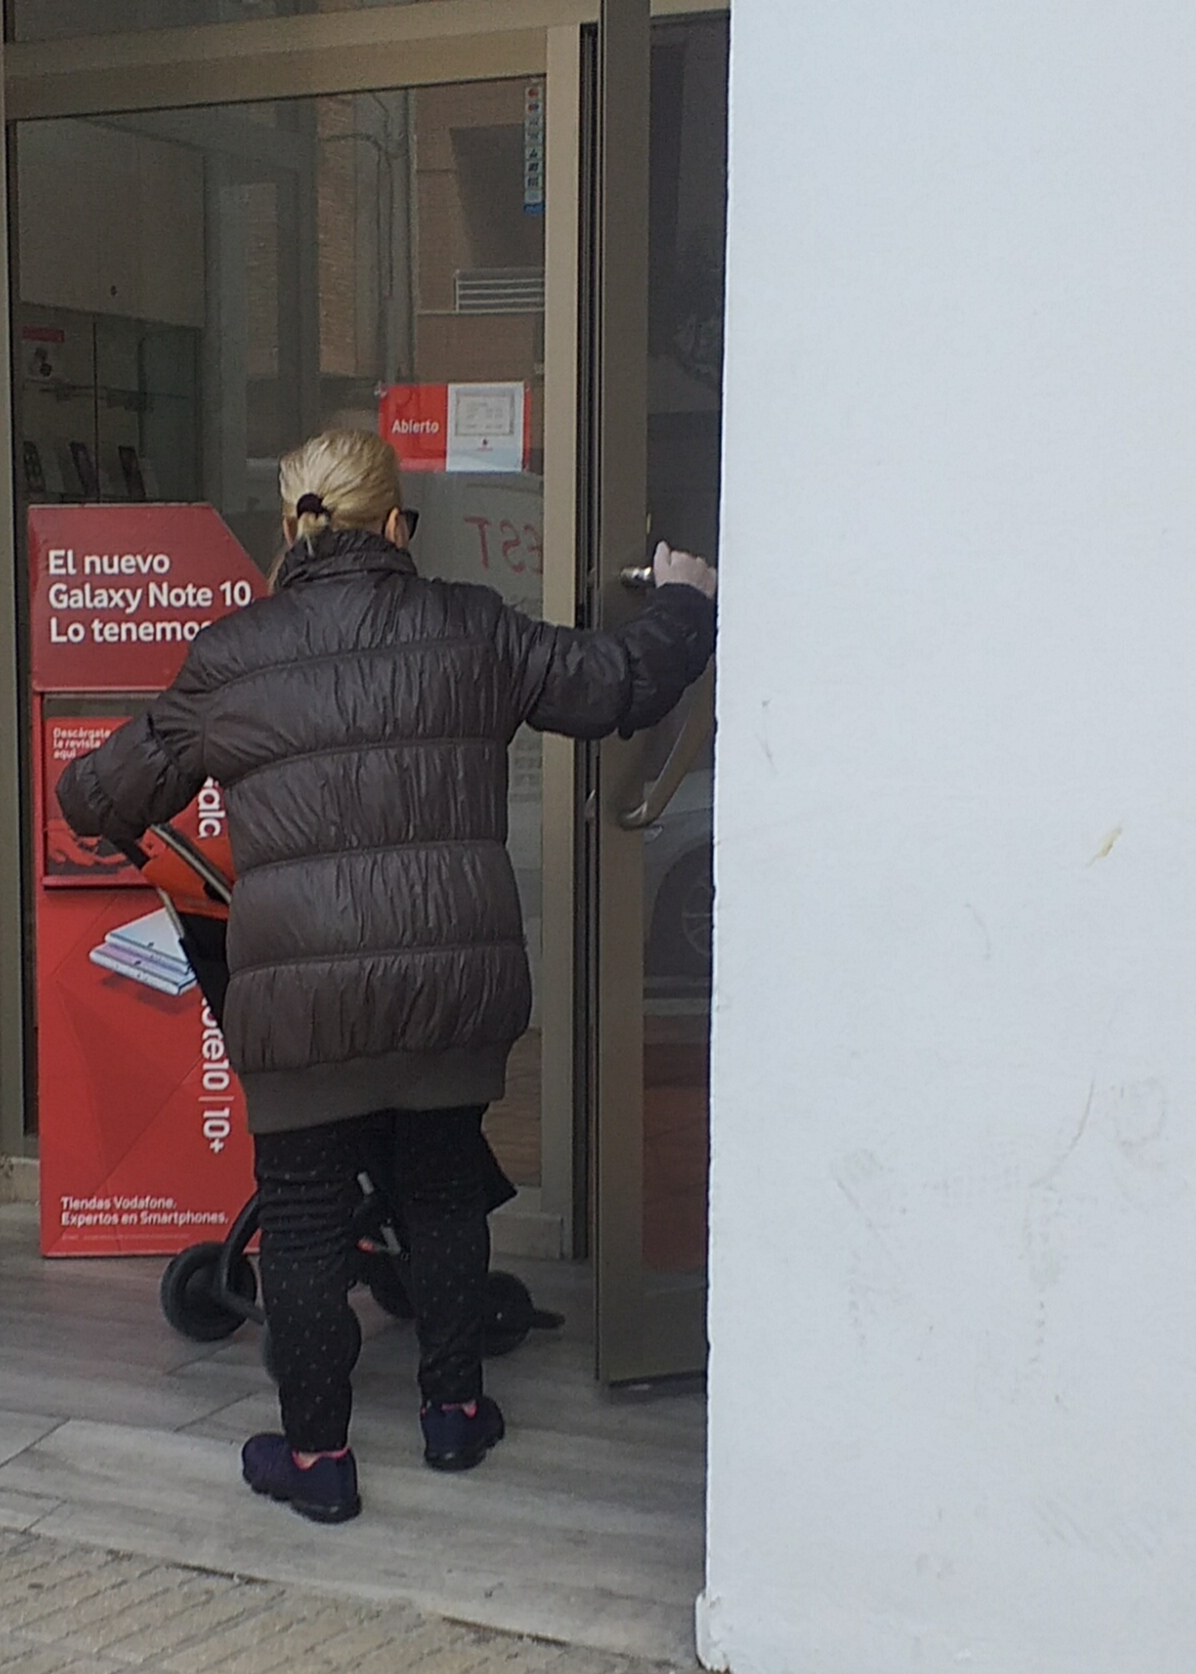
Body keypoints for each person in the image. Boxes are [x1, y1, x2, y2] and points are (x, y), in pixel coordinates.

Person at [56, 430, 716, 1525]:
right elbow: (616, 684)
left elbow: (103, 797)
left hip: (302, 1001)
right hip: (451, 985)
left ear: (289, 526)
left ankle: (317, 1460)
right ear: (397, 523)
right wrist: (685, 602)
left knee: (305, 1220)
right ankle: (454, 1413)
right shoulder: (471, 625)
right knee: (443, 1190)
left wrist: (92, 794)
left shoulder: (232, 656)